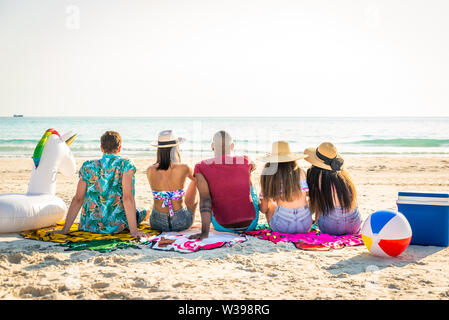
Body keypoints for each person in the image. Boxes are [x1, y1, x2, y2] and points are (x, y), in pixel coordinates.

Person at [48, 131, 150, 239]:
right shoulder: (125, 164)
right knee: (145, 210)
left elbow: (78, 199)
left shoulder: (88, 166)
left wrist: (65, 230)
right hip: (116, 226)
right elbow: (127, 198)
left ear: (101, 148)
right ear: (119, 148)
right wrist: (134, 232)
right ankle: (147, 211)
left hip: (90, 225)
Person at [189, 130, 259, 239]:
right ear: (232, 146)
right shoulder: (245, 160)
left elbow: (205, 201)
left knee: (207, 193)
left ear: (212, 146)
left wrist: (204, 232)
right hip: (250, 224)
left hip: (221, 226)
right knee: (250, 182)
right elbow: (254, 166)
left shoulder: (200, 166)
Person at [304, 142, 361, 235]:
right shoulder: (344, 176)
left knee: (318, 201)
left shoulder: (316, 175)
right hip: (354, 226)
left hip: (331, 227)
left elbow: (313, 203)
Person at [147, 130, 198, 231]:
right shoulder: (184, 168)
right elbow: (198, 179)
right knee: (195, 181)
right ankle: (191, 214)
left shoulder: (150, 170)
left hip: (156, 223)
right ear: (176, 148)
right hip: (181, 222)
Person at [258, 141, 312, 234]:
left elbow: (263, 209)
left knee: (270, 206)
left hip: (282, 226)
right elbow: (310, 197)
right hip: (305, 224)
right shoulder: (300, 172)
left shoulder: (269, 175)